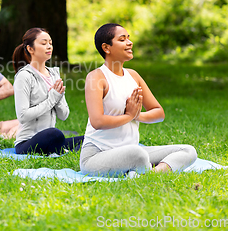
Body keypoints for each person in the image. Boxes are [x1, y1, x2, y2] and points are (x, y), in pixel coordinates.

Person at [80, 23, 197, 176]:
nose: (130, 42)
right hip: (97, 155)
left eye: (128, 38)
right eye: (122, 39)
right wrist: (128, 116)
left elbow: (159, 113)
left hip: (131, 149)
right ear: (106, 48)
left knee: (188, 150)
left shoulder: (133, 76)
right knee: (138, 154)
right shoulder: (96, 77)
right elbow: (97, 122)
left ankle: (151, 173)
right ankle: (144, 171)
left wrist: (137, 115)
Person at [12, 28, 84, 155]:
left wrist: (59, 98)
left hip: (52, 139)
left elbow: (64, 115)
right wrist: (52, 99)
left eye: (50, 43)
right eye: (44, 43)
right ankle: (65, 151)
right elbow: (22, 116)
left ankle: (62, 150)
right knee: (54, 133)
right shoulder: (24, 76)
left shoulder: (54, 74)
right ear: (30, 49)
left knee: (89, 139)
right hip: (27, 143)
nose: (49, 46)